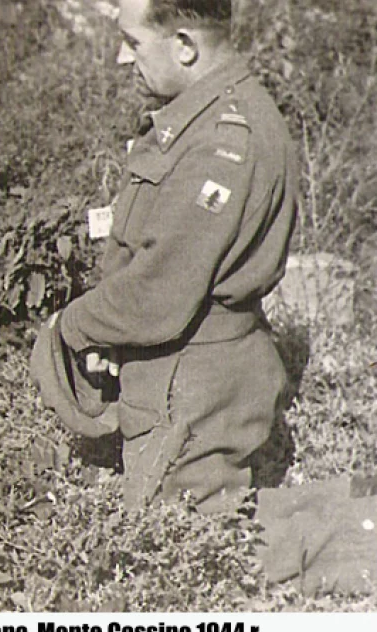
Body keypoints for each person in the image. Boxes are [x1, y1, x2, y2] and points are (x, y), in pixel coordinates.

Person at [56, 0, 298, 513]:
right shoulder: (203, 118)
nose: (123, 57)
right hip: (179, 371)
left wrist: (71, 327)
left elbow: (159, 293)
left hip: (191, 387)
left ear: (185, 45)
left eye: (134, 42)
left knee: (187, 540)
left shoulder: (221, 144)